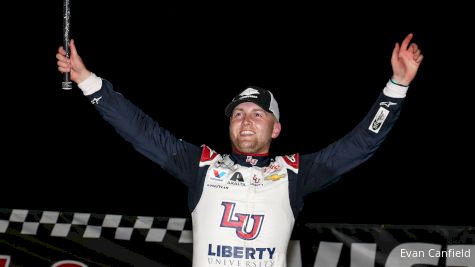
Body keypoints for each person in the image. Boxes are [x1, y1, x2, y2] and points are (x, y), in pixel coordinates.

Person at [56, 33, 423, 267]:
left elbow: (360, 145)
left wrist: (397, 86)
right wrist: (88, 81)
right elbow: (140, 130)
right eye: (239, 114)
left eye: (258, 113)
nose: (246, 120)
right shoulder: (201, 166)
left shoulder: (295, 174)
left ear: (276, 128)